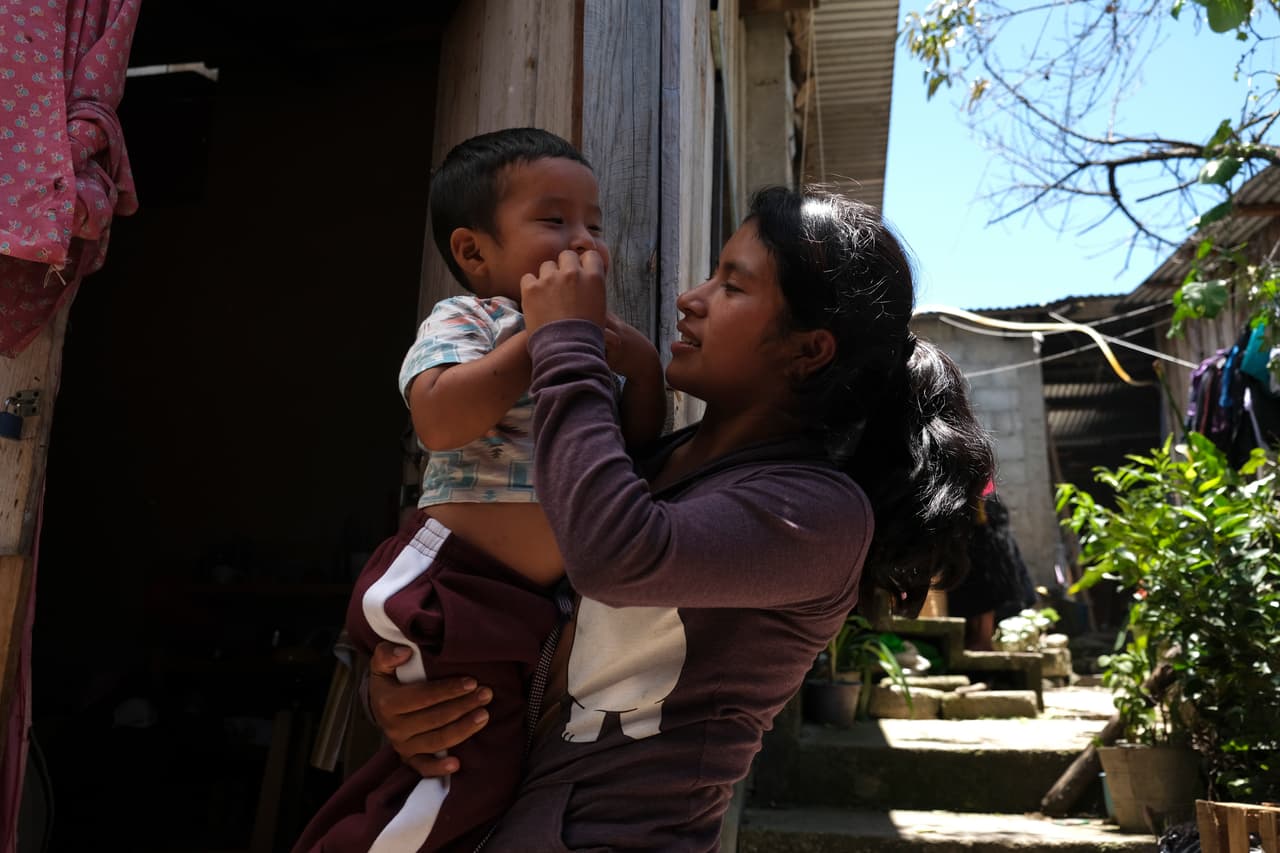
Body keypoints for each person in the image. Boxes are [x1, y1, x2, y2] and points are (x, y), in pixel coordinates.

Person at [365, 186, 995, 851]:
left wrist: (565, 344)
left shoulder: (819, 514)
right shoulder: (657, 460)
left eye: (733, 286)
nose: (690, 298)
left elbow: (614, 556)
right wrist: (413, 691)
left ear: (809, 350)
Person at [294, 128, 666, 853]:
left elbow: (636, 445)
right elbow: (438, 417)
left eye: (595, 222)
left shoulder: (588, 339)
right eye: (555, 221)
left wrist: (644, 369)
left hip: (525, 604)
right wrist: (543, 334)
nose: (584, 241)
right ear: (473, 253)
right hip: (449, 580)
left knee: (470, 769)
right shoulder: (468, 320)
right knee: (460, 770)